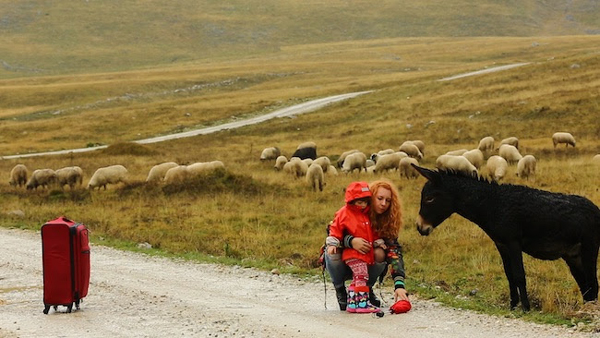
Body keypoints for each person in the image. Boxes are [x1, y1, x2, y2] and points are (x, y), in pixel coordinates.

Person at [324, 179, 409, 311]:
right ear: (371, 196)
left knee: (381, 252)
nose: (383, 204)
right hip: (346, 258)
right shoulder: (353, 210)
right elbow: (332, 230)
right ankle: (340, 289)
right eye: (380, 198)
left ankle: (366, 289)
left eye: (388, 200)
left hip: (366, 259)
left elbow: (394, 251)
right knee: (332, 251)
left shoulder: (387, 221)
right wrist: (351, 241)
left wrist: (399, 284)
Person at [326, 181, 383, 313]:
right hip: (353, 254)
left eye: (365, 201)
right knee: (361, 275)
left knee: (359, 277)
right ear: (352, 201)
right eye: (359, 202)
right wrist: (332, 243)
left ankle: (352, 303)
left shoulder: (366, 215)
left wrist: (377, 241)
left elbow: (371, 233)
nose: (363, 205)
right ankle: (363, 304)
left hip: (364, 254)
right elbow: (335, 228)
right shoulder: (344, 213)